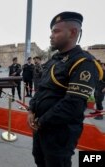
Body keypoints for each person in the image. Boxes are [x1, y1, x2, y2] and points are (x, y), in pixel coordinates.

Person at [27, 12, 102, 167]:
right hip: (41, 127)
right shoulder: (54, 59)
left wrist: (41, 121)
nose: (51, 36)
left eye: (56, 31)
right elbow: (41, 88)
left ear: (73, 32)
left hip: (60, 133)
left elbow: (73, 105)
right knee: (39, 159)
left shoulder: (83, 62)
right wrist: (31, 109)